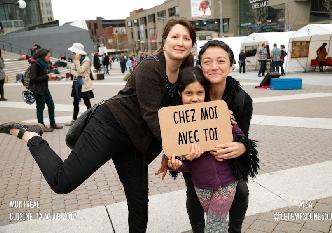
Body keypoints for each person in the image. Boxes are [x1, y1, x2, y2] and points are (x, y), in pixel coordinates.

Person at [0, 18, 196, 233]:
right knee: (63, 182)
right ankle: (31, 137)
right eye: (175, 36)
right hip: (110, 126)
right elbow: (152, 116)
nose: (180, 42)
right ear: (164, 40)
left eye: (186, 38)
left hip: (135, 143)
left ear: (191, 44)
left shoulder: (185, 74)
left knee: (139, 201)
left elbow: (180, 115)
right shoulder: (151, 66)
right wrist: (175, 149)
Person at [157, 40, 256, 233]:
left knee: (241, 190)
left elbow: (244, 136)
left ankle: (234, 230)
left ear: (231, 64)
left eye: (221, 61)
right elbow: (173, 130)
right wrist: (171, 158)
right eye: (207, 61)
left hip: (227, 166)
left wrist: (241, 147)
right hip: (195, 162)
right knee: (193, 191)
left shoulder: (241, 99)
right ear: (200, 65)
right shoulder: (189, 90)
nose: (214, 67)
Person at [27, 48, 63, 132]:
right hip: (38, 90)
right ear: (43, 56)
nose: (49, 58)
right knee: (40, 107)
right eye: (48, 56)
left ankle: (52, 123)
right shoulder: (35, 64)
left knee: (51, 105)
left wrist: (50, 76)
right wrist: (47, 76)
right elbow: (33, 79)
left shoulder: (43, 64)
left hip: (45, 88)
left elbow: (43, 75)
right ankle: (41, 126)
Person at [65, 43, 94, 126]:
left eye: (75, 52)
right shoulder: (76, 59)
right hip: (76, 83)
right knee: (75, 102)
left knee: (87, 102)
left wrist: (77, 62)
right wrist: (78, 73)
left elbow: (81, 70)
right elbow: (72, 71)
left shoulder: (87, 60)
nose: (74, 54)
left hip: (84, 84)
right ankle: (74, 119)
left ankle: (91, 118)